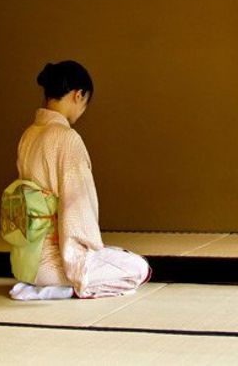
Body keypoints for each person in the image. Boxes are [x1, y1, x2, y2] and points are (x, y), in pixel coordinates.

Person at [8, 60, 151, 301]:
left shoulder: (29, 134)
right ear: (78, 95)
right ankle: (64, 288)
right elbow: (77, 210)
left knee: (117, 254)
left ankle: (42, 284)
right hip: (54, 266)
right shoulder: (66, 138)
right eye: (85, 102)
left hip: (24, 262)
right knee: (139, 267)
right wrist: (81, 265)